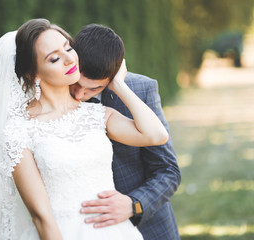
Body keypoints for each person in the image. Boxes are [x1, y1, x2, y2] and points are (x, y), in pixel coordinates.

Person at [0, 18, 168, 240]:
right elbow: (41, 216)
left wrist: (117, 83)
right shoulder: (19, 131)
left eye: (68, 47)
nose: (70, 58)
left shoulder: (97, 115)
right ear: (34, 74)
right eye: (54, 58)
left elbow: (157, 135)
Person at [70, 24, 181, 239]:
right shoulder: (55, 92)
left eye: (93, 89)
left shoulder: (141, 90)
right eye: (76, 83)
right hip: (81, 225)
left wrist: (134, 204)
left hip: (147, 228)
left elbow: (168, 171)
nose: (80, 94)